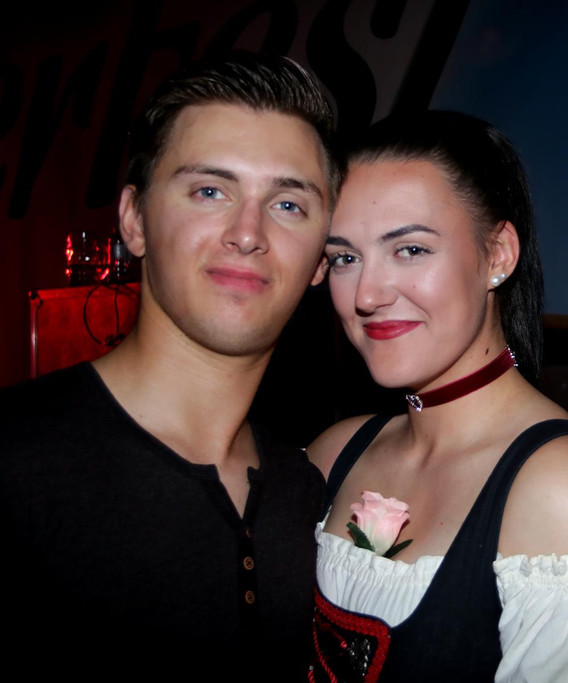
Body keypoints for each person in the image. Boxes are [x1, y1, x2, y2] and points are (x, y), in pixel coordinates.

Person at [308, 111, 568, 682]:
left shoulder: (564, 493)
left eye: (410, 249)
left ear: (499, 255)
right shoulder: (333, 453)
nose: (367, 294)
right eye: (345, 257)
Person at [0, 53, 337, 676]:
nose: (247, 232)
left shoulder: (307, 496)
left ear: (320, 261)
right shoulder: (12, 463)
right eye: (210, 191)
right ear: (134, 220)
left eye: (289, 204)